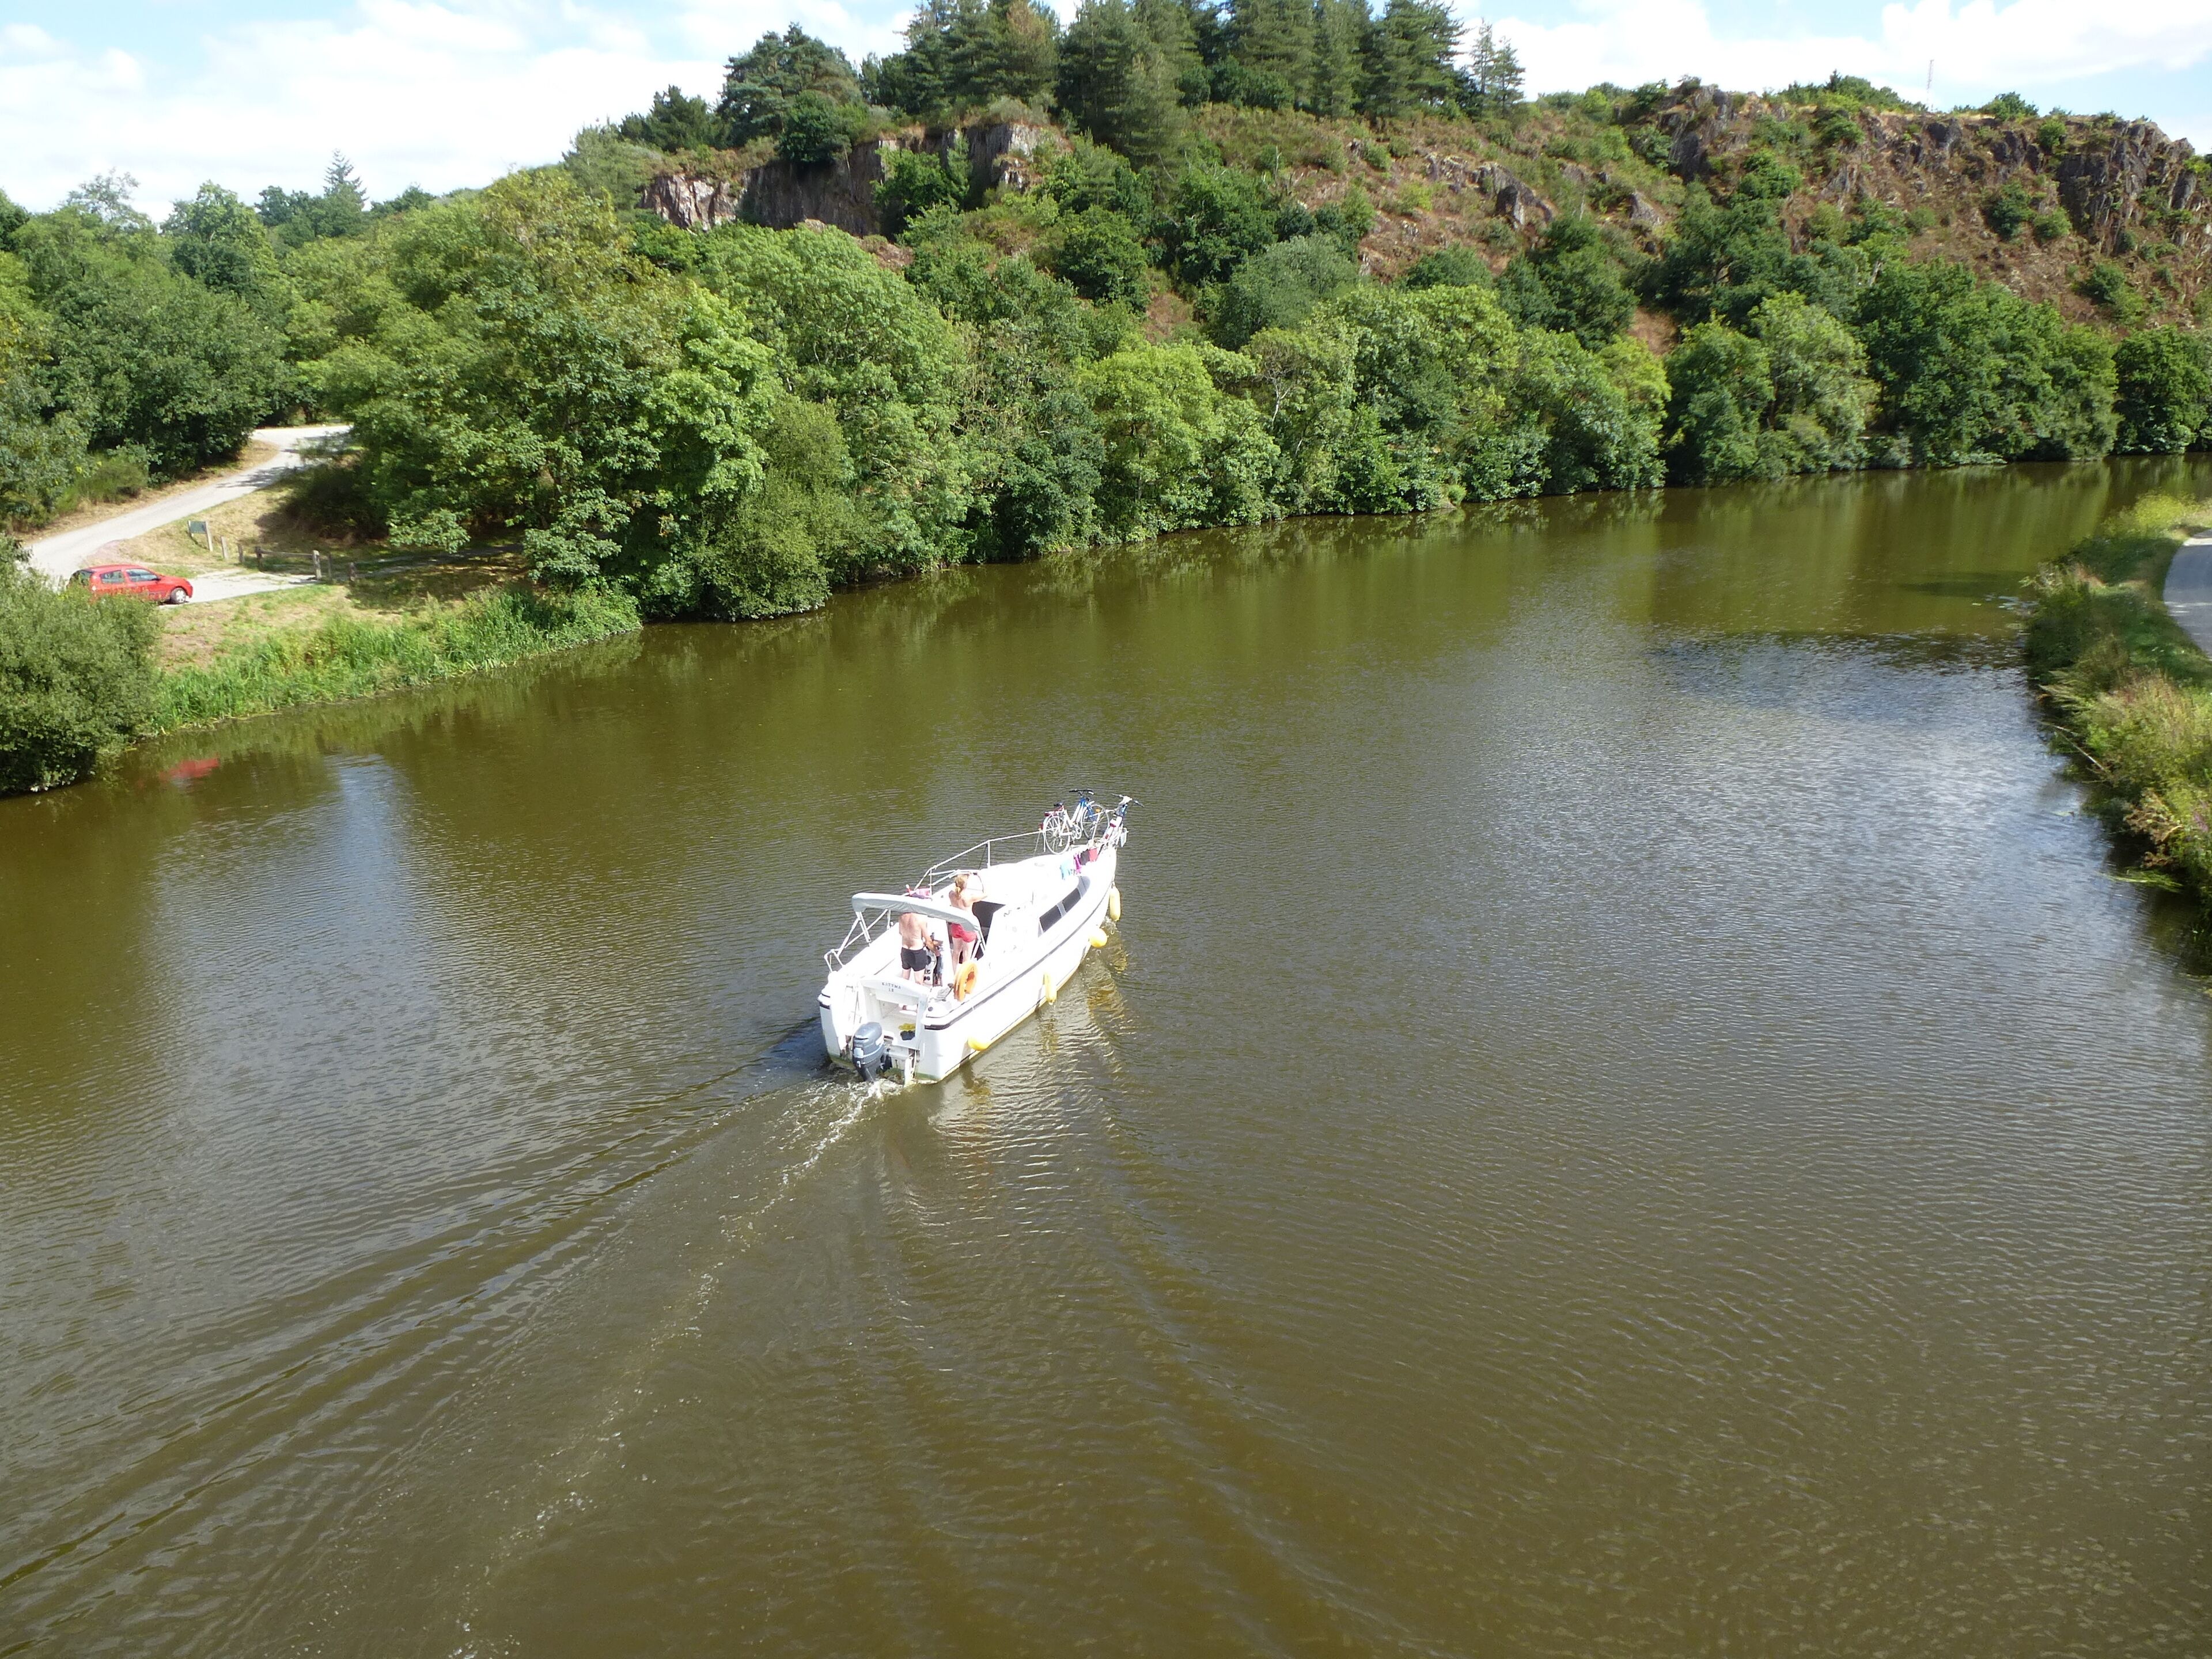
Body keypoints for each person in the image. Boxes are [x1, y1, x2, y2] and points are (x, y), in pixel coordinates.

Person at [947, 873, 981, 967]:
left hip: (956, 926)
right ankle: (964, 978)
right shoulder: (969, 897)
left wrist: (966, 876)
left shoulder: (951, 895)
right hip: (968, 927)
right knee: (967, 955)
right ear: (966, 885)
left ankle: (955, 975)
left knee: (956, 952)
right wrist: (980, 878)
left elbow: (956, 890)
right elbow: (986, 894)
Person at [897, 908, 935, 983]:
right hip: (917, 952)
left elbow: (901, 932)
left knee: (905, 977)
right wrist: (936, 952)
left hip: (905, 950)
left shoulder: (902, 917)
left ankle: (905, 994)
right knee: (919, 980)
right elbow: (928, 941)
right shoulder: (921, 919)